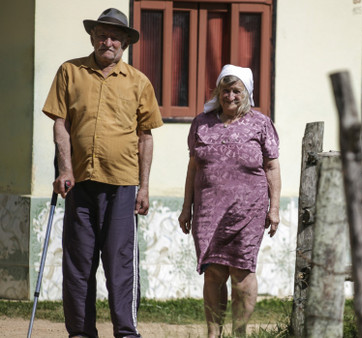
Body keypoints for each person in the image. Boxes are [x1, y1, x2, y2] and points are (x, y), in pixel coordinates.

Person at [42, 8, 163, 338]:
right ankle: (80, 333)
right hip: (79, 183)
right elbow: (60, 124)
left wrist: (144, 187)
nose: (107, 41)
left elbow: (145, 136)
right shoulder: (70, 72)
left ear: (125, 42)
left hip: (123, 185)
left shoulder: (139, 82)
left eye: (114, 36)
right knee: (78, 266)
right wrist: (65, 168)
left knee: (120, 265)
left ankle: (126, 332)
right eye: (101, 35)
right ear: (92, 38)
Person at [178, 64, 281, 337]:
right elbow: (193, 167)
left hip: (248, 211)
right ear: (218, 92)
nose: (230, 96)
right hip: (208, 210)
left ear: (246, 93)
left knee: (242, 271)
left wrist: (275, 209)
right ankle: (214, 333)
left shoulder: (261, 123)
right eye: (225, 90)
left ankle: (239, 333)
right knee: (213, 272)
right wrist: (186, 207)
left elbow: (272, 167)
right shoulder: (202, 122)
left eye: (237, 90)